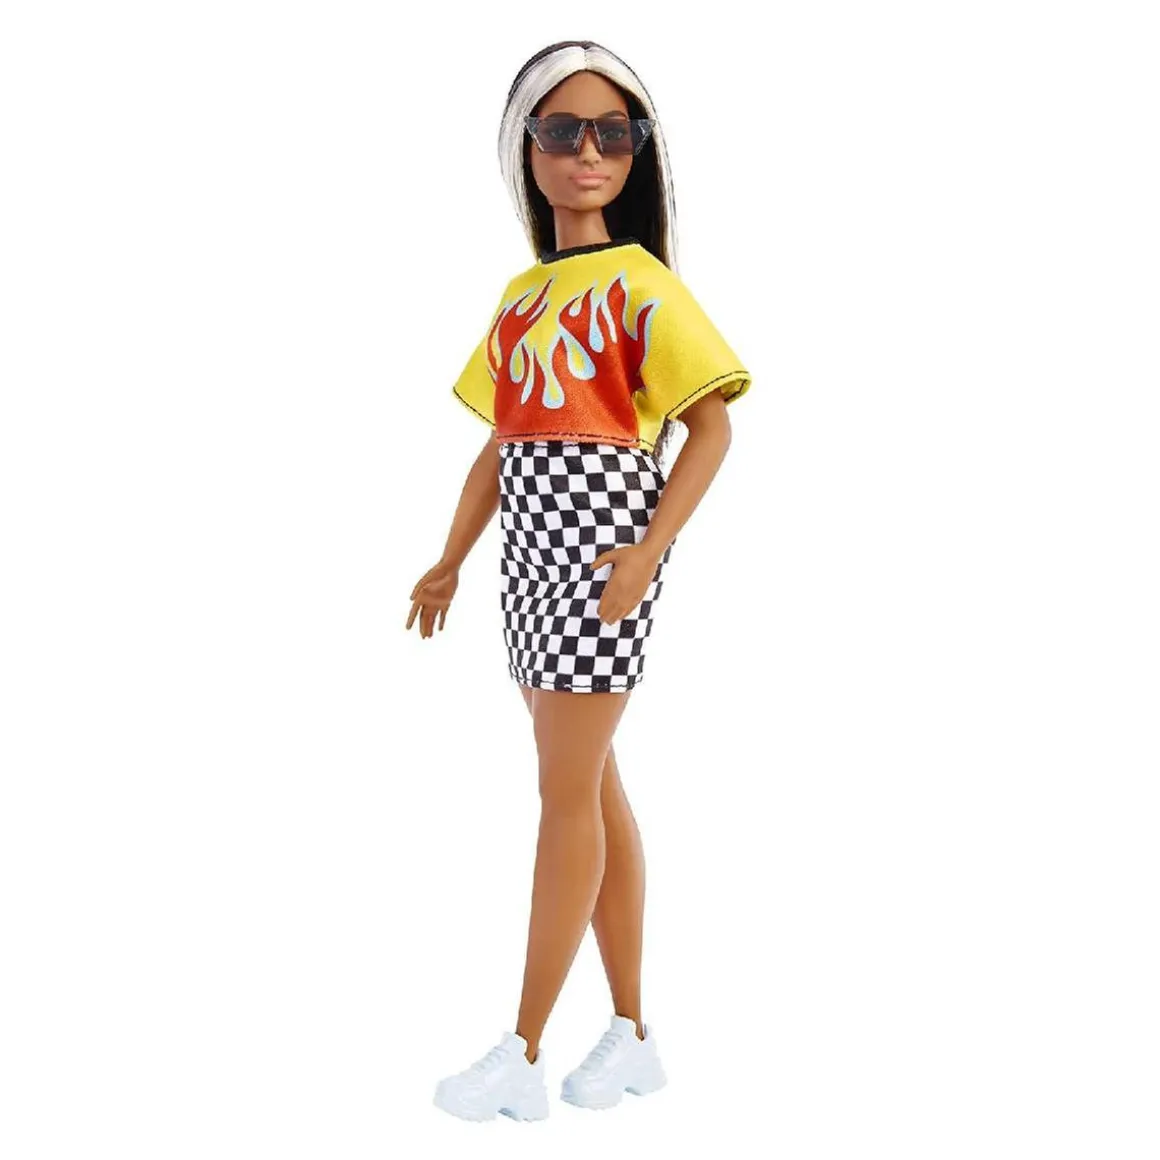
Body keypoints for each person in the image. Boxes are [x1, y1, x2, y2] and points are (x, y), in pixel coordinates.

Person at [406, 40, 752, 1121]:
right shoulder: (523, 297)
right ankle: (633, 1035)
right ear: (529, 150)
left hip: (603, 551)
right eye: (562, 131)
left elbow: (709, 427)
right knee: (590, 784)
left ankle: (521, 1048)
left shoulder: (644, 286)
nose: (588, 152)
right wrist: (450, 558)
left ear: (636, 150)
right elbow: (499, 445)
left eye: (613, 132)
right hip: (528, 558)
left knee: (564, 791)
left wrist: (648, 548)